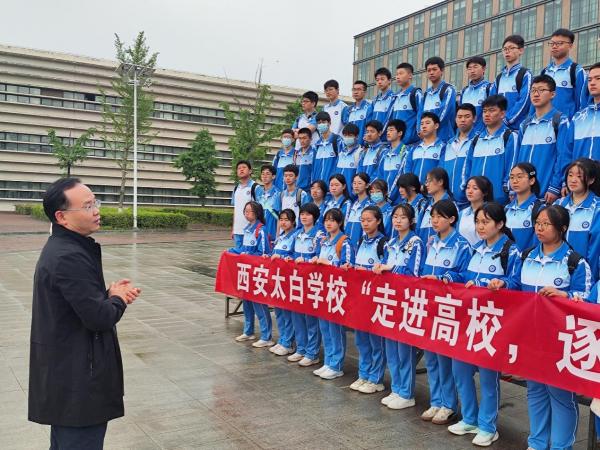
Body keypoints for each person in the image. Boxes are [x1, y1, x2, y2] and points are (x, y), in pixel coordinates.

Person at [29, 178, 141, 450]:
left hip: (69, 372)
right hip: (77, 380)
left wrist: (107, 294)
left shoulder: (68, 248)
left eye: (95, 203)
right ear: (62, 217)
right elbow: (99, 318)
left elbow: (78, 303)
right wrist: (117, 299)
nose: (96, 211)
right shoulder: (68, 256)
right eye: (88, 206)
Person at [517, 205, 591, 450]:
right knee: (535, 390)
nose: (539, 228)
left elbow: (588, 300)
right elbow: (514, 286)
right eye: (537, 223)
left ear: (562, 228)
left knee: (560, 394)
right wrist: (501, 284)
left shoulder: (575, 262)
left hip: (560, 339)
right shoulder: (526, 256)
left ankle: (561, 446)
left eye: (546, 224)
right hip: (530, 335)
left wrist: (565, 295)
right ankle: (537, 442)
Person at [449, 202, 521, 447]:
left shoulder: (511, 251)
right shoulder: (475, 249)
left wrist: (503, 284)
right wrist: (446, 278)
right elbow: (462, 275)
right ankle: (469, 418)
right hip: (468, 319)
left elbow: (517, 282)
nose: (480, 227)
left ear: (500, 224)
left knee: (489, 376)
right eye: (478, 222)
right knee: (461, 370)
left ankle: (488, 426)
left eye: (486, 222)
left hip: (493, 322)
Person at [420, 199, 471, 425]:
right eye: (432, 216)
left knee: (445, 359)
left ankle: (449, 404)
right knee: (431, 357)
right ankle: (436, 399)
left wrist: (443, 278)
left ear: (451, 219)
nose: (434, 220)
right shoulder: (431, 242)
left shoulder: (461, 245)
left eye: (439, 216)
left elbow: (464, 274)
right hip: (429, 304)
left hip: (448, 307)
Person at [373, 203, 425, 410]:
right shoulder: (391, 242)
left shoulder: (415, 242)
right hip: (390, 298)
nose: (398, 220)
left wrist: (391, 267)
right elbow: (385, 266)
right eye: (395, 217)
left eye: (403, 217)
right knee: (391, 348)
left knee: (404, 349)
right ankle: (396, 388)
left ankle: (406, 392)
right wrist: (380, 268)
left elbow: (414, 273)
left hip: (406, 300)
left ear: (411, 221)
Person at [346, 206, 388, 394]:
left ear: (378, 221)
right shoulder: (361, 240)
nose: (365, 223)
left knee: (375, 340)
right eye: (362, 220)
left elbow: (385, 270)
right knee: (361, 339)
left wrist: (371, 271)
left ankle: (375, 378)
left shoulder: (383, 243)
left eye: (369, 220)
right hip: (360, 295)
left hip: (375, 296)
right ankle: (363, 373)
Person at [310, 208, 354, 380]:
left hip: (336, 290)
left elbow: (347, 268)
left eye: (332, 220)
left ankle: (336, 364)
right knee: (325, 327)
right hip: (323, 288)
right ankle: (328, 361)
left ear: (340, 222)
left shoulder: (344, 242)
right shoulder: (324, 241)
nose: (329, 223)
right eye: (326, 220)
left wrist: (328, 264)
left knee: (335, 328)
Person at [516, 74, 570, 203]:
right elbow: (517, 158)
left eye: (541, 90)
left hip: (546, 195)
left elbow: (563, 156)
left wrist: (555, 186)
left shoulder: (560, 121)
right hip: (523, 196)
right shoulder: (524, 125)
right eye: (533, 90)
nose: (536, 94)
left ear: (552, 94)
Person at [228, 201, 273, 346]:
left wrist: (248, 256)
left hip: (257, 273)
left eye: (250, 211)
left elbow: (264, 254)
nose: (247, 214)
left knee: (259, 304)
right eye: (245, 211)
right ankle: (248, 331)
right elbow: (242, 249)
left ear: (257, 213)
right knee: (246, 302)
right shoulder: (247, 229)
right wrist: (231, 251)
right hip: (246, 272)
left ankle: (266, 336)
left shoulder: (261, 230)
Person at [289, 203, 325, 367]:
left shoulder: (319, 234)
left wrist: (307, 260)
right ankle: (301, 348)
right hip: (297, 280)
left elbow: (319, 257)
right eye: (302, 214)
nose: (304, 217)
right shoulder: (297, 234)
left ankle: (312, 352)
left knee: (311, 318)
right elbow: (291, 253)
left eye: (308, 214)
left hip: (312, 281)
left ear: (315, 216)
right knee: (297, 316)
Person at [463, 95, 517, 205]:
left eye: (492, 110)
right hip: (476, 201)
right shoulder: (476, 139)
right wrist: (467, 187)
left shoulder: (509, 137)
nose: (487, 114)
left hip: (498, 200)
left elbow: (512, 166)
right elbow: (467, 166)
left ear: (502, 114)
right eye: (484, 111)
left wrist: (507, 189)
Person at [554, 158, 600, 281]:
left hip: (585, 275)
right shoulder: (558, 204)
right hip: (557, 273)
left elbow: (595, 250)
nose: (573, 180)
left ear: (591, 180)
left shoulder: (597, 208)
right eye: (570, 175)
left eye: (579, 176)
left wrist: (590, 277)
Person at [268, 209, 299, 356]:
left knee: (287, 312)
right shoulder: (280, 237)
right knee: (279, 311)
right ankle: (282, 339)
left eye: (287, 220)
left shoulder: (295, 236)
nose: (283, 222)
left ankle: (289, 342)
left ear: (293, 221)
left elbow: (293, 256)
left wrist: (283, 257)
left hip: (288, 279)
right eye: (281, 219)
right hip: (278, 279)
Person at [541, 28, 588, 118]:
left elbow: (582, 103)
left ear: (570, 46)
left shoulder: (576, 71)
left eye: (559, 43)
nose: (554, 46)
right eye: (552, 43)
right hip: (544, 124)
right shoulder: (545, 72)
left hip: (565, 124)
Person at [490, 35, 532, 131]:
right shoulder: (499, 78)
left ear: (521, 50)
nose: (507, 51)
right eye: (505, 49)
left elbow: (524, 101)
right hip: (499, 129)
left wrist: (507, 120)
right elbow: (492, 102)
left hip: (517, 129)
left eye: (511, 48)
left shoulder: (525, 74)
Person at [441, 103, 478, 208]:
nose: (463, 120)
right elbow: (441, 171)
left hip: (469, 201)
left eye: (467, 116)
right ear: (455, 119)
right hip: (448, 202)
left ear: (474, 119)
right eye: (459, 117)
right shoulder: (448, 144)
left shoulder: (478, 141)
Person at [505, 162, 543, 251]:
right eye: (511, 177)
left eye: (519, 177)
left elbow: (539, 243)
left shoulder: (539, 209)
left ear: (532, 180)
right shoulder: (506, 209)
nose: (515, 181)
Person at [418, 56, 457, 142]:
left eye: (434, 69)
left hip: (444, 138)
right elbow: (420, 114)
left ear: (442, 70)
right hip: (427, 139)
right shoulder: (426, 94)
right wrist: (419, 130)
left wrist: (430, 129)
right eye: (429, 70)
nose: (431, 72)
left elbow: (445, 112)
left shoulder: (448, 89)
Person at [404, 112, 445, 185]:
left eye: (427, 123)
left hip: (432, 189)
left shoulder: (443, 147)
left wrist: (427, 186)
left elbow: (440, 170)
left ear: (436, 126)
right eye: (422, 124)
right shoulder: (413, 149)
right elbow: (407, 168)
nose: (424, 126)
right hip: (414, 190)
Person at [571, 62, 600, 161]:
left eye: (598, 78)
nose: (592, 83)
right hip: (580, 170)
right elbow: (567, 153)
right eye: (589, 79)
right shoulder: (578, 117)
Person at [417, 167, 453, 247]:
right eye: (426, 181)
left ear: (440, 182)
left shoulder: (451, 205)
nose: (426, 184)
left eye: (429, 181)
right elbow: (418, 230)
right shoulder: (425, 206)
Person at [390, 62, 422, 145]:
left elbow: (421, 114)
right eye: (396, 74)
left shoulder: (416, 93)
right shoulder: (395, 97)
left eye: (401, 73)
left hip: (411, 142)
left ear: (410, 75)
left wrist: (419, 132)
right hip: (396, 143)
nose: (397, 77)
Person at [458, 176, 494, 246]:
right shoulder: (461, 213)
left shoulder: (491, 213)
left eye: (475, 188)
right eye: (468, 187)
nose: (470, 191)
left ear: (485, 192)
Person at [379, 119, 408, 204]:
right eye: (387, 130)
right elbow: (380, 175)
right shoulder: (384, 154)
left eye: (391, 130)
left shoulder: (406, 152)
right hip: (384, 200)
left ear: (400, 133)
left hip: (400, 200)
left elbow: (405, 176)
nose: (388, 133)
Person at [460, 56, 492, 134]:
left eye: (475, 67)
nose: (472, 71)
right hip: (466, 135)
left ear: (484, 69)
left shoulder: (489, 88)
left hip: (482, 134)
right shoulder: (464, 91)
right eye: (469, 68)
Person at [231, 160, 257, 248]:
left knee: (249, 254)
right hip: (237, 231)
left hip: (251, 230)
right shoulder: (236, 188)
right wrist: (233, 229)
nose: (241, 170)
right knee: (238, 254)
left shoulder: (255, 187)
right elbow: (235, 210)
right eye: (239, 168)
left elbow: (260, 210)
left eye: (244, 167)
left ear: (250, 171)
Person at [312, 111, 343, 183]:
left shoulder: (337, 141)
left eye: (323, 122)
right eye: (319, 123)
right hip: (318, 186)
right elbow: (313, 168)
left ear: (329, 123)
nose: (321, 124)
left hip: (332, 186)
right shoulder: (316, 145)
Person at [255, 164, 281, 245]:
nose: (264, 176)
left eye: (267, 174)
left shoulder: (278, 193)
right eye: (263, 174)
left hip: (272, 231)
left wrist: (278, 236)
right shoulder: (258, 192)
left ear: (273, 176)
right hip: (259, 230)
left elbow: (279, 216)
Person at [345, 173, 372, 246]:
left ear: (367, 185)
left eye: (359, 183)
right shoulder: (352, 205)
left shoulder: (370, 205)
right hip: (348, 245)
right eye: (354, 183)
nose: (356, 186)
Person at [368, 67, 395, 136]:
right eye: (377, 80)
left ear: (389, 81)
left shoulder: (393, 98)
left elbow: (390, 119)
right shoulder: (375, 100)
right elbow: (369, 118)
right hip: (374, 137)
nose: (379, 82)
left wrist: (380, 133)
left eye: (382, 79)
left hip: (386, 137)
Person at [336, 123, 363, 191]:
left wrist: (353, 192)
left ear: (357, 136)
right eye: (345, 135)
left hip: (351, 193)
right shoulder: (341, 154)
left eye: (350, 135)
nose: (347, 138)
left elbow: (360, 176)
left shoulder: (360, 153)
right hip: (339, 193)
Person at [343, 80, 371, 145]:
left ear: (365, 92)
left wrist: (366, 144)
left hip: (363, 146)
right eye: (354, 89)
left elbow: (370, 128)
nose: (355, 92)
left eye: (359, 89)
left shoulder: (369, 108)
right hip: (350, 146)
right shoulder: (348, 110)